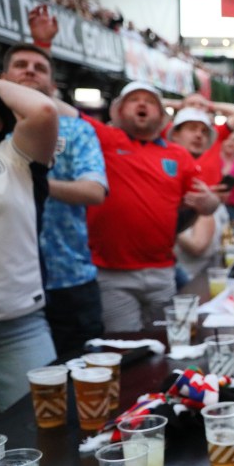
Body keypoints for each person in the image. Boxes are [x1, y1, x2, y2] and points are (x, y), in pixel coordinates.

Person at [5, 5, 108, 357]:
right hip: (1, 285)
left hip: (70, 279)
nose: (30, 72)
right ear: (2, 79)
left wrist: (35, 183)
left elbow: (94, 192)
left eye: (40, 68)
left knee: (85, 382)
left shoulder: (77, 129)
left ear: (53, 85)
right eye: (21, 66)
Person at [83, 82, 219, 331]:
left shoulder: (179, 155)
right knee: (125, 351)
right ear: (119, 111)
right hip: (113, 276)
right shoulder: (103, 138)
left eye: (150, 101)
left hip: (163, 272)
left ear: (161, 115)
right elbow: (54, 109)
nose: (142, 104)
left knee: (169, 347)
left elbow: (205, 204)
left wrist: (210, 203)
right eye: (134, 99)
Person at [0, 75, 59, 410]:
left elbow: (43, 110)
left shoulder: (14, 158)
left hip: (13, 325)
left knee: (43, 426)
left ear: (0, 120)